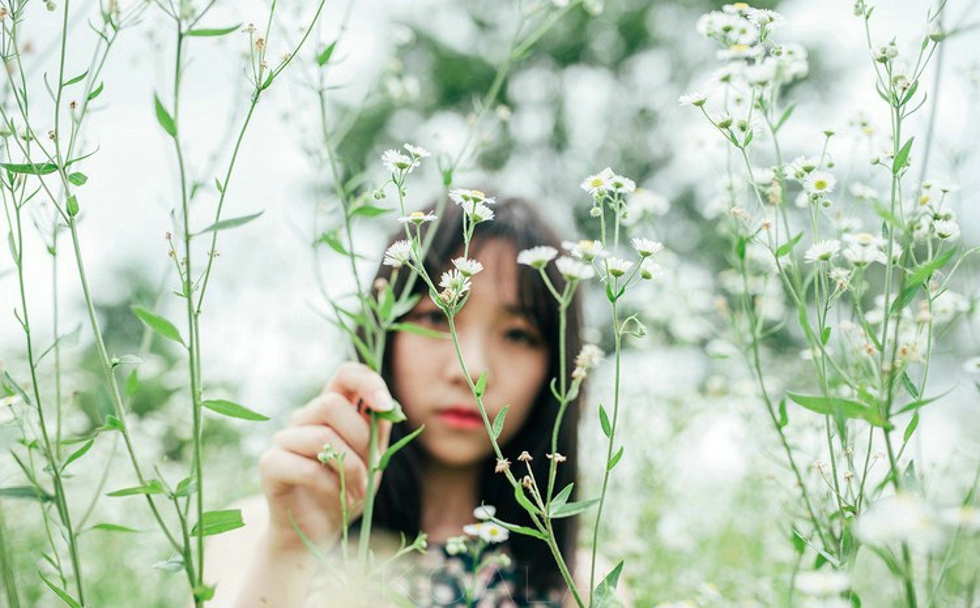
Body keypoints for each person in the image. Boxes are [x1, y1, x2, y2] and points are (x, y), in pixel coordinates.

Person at [205, 198, 591, 607]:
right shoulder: (260, 535)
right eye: (436, 317)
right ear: (384, 329)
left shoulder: (577, 583)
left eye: (517, 334)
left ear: (559, 366)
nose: (471, 369)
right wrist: (292, 548)